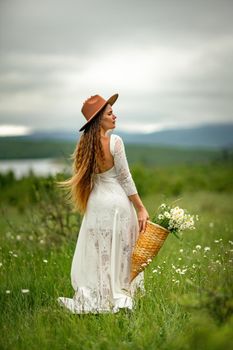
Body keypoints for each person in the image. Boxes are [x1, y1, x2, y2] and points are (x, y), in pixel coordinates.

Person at [57, 93, 149, 314]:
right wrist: (140, 207)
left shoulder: (85, 146)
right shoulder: (115, 142)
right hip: (117, 203)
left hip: (97, 204)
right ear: (99, 119)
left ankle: (102, 293)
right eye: (110, 113)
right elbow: (125, 178)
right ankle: (121, 293)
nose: (115, 116)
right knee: (122, 251)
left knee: (101, 252)